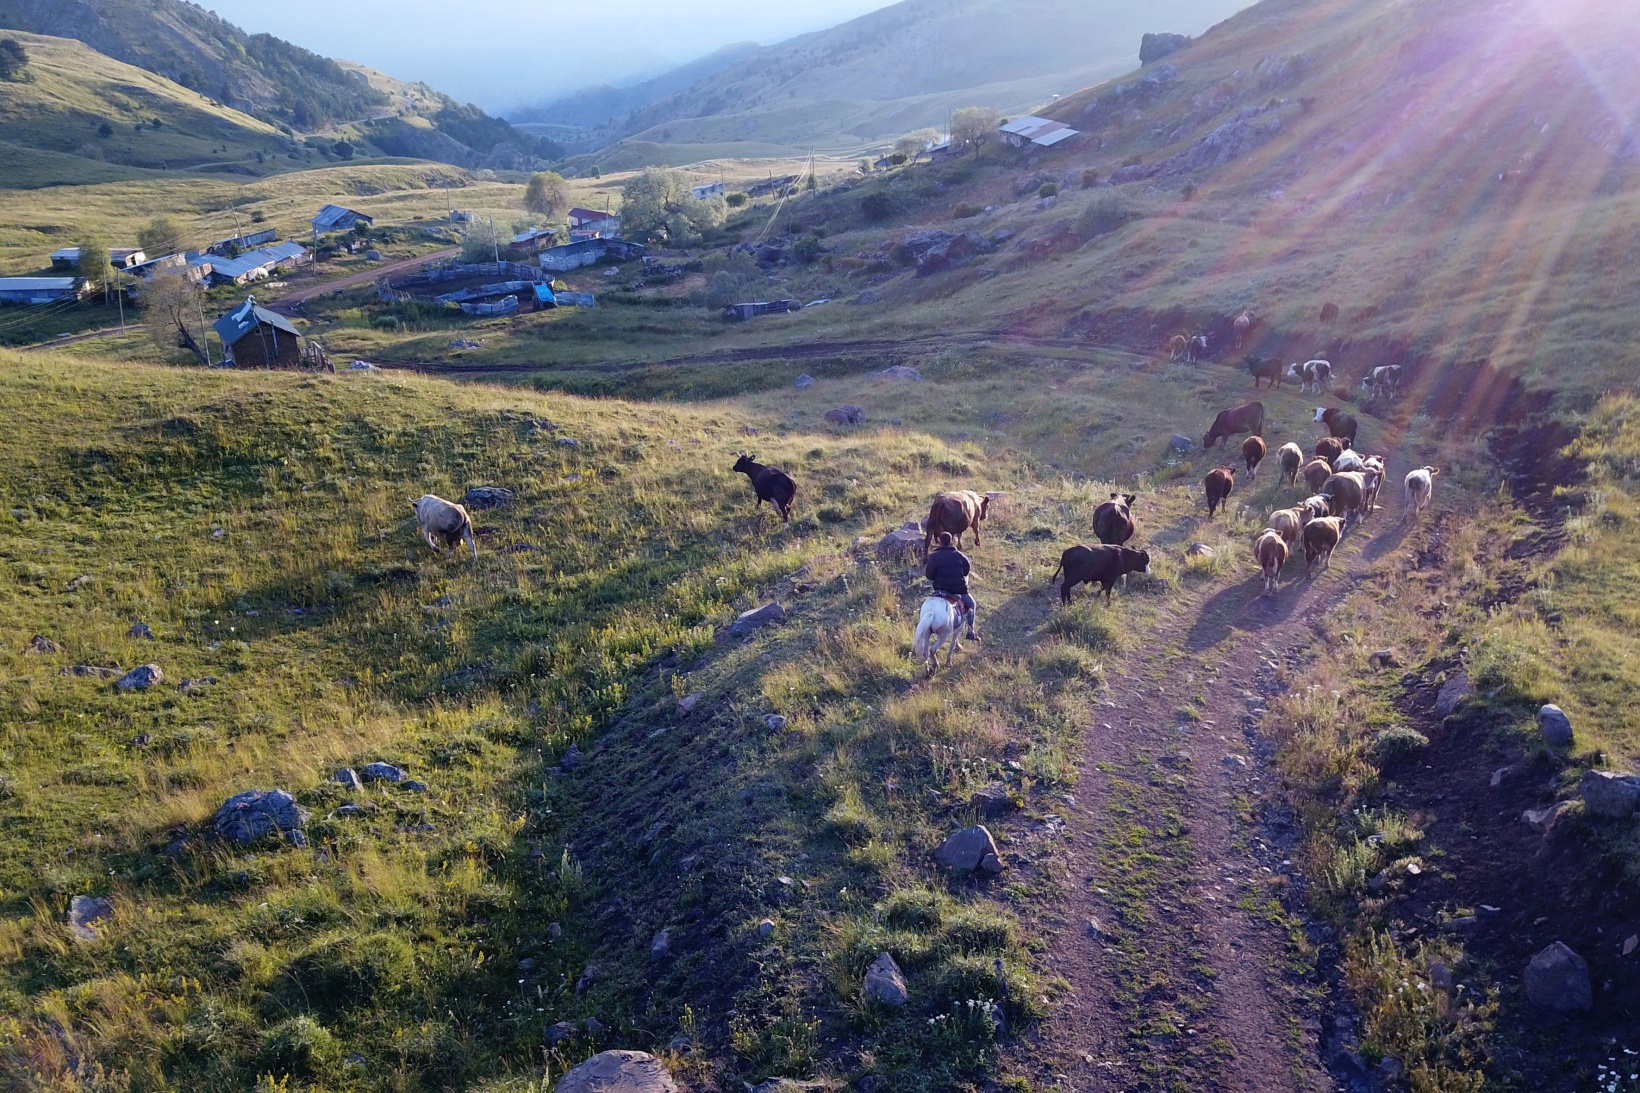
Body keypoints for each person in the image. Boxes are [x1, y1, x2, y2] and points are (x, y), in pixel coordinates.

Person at [924, 532, 979, 641]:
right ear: (951, 540)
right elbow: (966, 571)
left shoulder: (934, 556)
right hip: (957, 589)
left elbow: (929, 575)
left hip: (940, 589)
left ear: (939, 541)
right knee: (972, 604)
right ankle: (970, 631)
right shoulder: (959, 555)